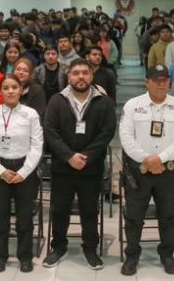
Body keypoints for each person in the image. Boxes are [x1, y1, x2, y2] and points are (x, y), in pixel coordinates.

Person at [42, 60, 116, 271]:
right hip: (62, 167)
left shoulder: (103, 102)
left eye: (85, 72)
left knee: (90, 210)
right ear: (69, 77)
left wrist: (86, 156)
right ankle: (58, 247)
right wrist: (68, 156)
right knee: (60, 210)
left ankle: (90, 249)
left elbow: (107, 131)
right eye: (76, 73)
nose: (81, 77)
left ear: (92, 75)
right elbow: (50, 131)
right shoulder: (57, 101)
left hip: (91, 167)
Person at [118, 64, 174, 275]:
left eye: (164, 80)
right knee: (134, 217)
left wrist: (160, 159)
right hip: (138, 171)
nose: (161, 84)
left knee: (167, 216)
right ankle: (132, 256)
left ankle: (167, 255)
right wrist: (147, 159)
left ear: (169, 82)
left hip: (167, 170)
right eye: (156, 80)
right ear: (147, 82)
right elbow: (126, 137)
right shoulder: (133, 105)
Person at [0, 76, 45, 273]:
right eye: (6, 88)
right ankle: (0, 256)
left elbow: (37, 145)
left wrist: (24, 172)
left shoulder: (31, 114)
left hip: (25, 169)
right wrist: (0, 171)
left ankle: (25, 257)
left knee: (25, 217)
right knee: (0, 216)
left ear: (21, 90)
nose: (10, 91)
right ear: (0, 91)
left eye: (14, 87)